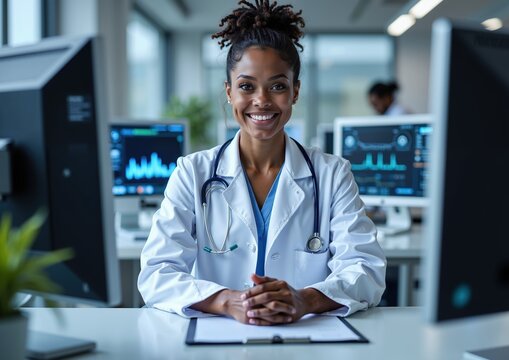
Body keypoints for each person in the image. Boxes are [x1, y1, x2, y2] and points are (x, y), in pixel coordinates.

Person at [138, 0, 386, 326]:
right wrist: (227, 301)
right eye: (246, 86)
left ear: (295, 92)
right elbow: (157, 272)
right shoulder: (193, 173)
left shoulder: (331, 174)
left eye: (278, 86)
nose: (262, 101)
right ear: (228, 92)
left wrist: (304, 299)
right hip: (220, 341)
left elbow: (366, 268)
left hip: (306, 339)